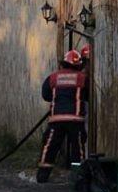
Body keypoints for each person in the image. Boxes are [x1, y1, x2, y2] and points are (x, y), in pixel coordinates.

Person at [36, 46, 90, 183]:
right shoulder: (82, 78)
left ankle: (42, 176)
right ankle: (79, 177)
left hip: (56, 119)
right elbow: (89, 96)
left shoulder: (53, 77)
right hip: (75, 120)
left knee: (50, 146)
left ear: (63, 63)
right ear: (78, 65)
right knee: (78, 149)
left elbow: (46, 95)